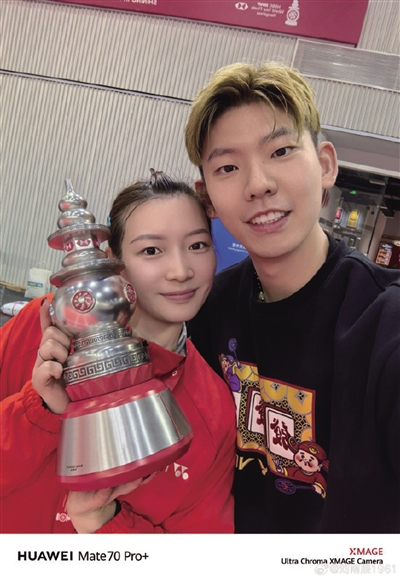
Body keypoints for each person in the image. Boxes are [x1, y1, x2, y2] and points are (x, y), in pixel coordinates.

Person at [184, 62, 400, 533]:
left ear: (325, 165)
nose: (258, 184)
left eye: (280, 151)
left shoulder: (385, 324)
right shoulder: (208, 310)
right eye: (227, 167)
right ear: (208, 198)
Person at [0, 170, 236, 533]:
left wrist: (103, 524)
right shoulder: (38, 331)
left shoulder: (212, 406)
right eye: (151, 250)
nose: (180, 271)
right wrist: (39, 410)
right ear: (112, 261)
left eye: (197, 245)